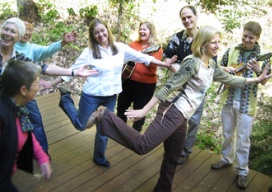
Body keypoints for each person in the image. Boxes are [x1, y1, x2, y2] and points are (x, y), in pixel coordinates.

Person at [91, 26, 271, 192]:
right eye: (214, 42)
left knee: (173, 156)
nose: (218, 46)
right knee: (143, 145)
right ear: (203, 43)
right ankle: (105, 115)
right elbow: (169, 86)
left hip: (182, 116)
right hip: (172, 109)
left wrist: (255, 80)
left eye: (218, 42)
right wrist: (144, 110)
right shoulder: (192, 63)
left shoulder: (212, 65)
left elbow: (229, 79)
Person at [48, 18, 175, 168]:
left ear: (107, 30)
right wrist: (51, 84)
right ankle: (65, 100)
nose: (101, 34)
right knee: (81, 125)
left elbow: (143, 57)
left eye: (102, 30)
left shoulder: (120, 48)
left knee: (104, 128)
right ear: (93, 36)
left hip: (110, 97)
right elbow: (72, 70)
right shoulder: (89, 52)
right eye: (96, 33)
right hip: (91, 95)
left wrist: (164, 64)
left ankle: (99, 157)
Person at [210, 21, 272, 189]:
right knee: (228, 132)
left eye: (251, 38)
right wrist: (226, 69)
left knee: (244, 139)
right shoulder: (232, 50)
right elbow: (217, 68)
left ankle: (242, 171)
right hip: (228, 98)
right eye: (244, 36)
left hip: (247, 103)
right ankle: (226, 159)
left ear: (257, 38)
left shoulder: (264, 55)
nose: (246, 40)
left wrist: (259, 70)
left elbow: (265, 81)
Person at [14, 19, 78, 154]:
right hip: (8, 94)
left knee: (36, 120)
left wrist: (63, 42)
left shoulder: (31, 49)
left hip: (26, 94)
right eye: (25, 29)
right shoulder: (8, 48)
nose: (28, 32)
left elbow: (46, 53)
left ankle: (43, 152)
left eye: (30, 29)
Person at [163, 5, 216, 165]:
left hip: (197, 90)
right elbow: (167, 58)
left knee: (193, 121)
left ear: (196, 16)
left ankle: (185, 151)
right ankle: (172, 149)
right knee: (174, 118)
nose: (186, 20)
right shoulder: (176, 38)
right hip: (178, 88)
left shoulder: (206, 37)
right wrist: (176, 69)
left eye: (189, 17)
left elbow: (212, 62)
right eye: (183, 18)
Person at [0, 60, 52, 192]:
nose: (40, 85)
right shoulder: (3, 114)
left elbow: (25, 132)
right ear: (23, 90)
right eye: (37, 83)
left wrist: (42, 157)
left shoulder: (17, 108)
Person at [116, 21, 163, 132]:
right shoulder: (132, 45)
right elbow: (122, 57)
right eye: (140, 29)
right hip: (128, 81)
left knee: (139, 110)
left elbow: (153, 65)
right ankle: (119, 131)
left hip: (146, 86)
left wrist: (142, 56)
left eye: (145, 29)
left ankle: (135, 134)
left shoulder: (156, 48)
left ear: (150, 32)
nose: (142, 31)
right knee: (122, 106)